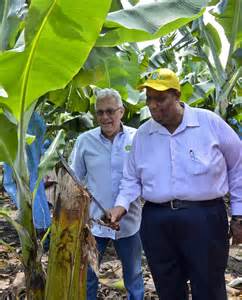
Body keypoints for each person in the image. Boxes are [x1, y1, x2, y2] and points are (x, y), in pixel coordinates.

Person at [109, 69, 242, 300]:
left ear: (177, 95)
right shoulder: (143, 134)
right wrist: (120, 206)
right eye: (149, 99)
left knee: (209, 286)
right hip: (157, 221)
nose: (152, 105)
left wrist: (239, 215)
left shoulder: (208, 123)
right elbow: (131, 178)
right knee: (167, 286)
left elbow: (238, 166)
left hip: (205, 218)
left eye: (160, 99)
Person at [70, 88, 144, 300]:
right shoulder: (85, 141)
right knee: (89, 275)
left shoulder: (136, 137)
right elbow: (75, 179)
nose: (105, 117)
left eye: (110, 111)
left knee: (134, 274)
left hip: (129, 222)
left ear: (121, 111)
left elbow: (142, 179)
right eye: (100, 112)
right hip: (95, 223)